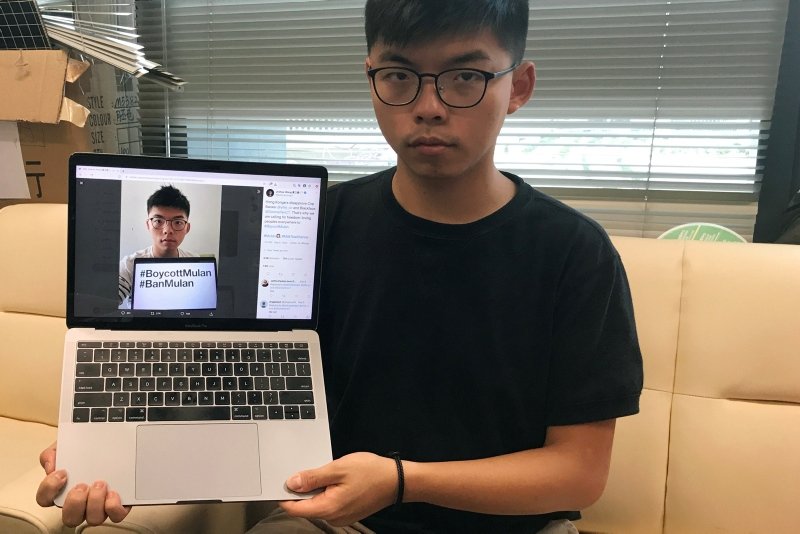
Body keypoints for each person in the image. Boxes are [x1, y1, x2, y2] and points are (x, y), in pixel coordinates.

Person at [37, 1, 644, 532]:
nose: (429, 107)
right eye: (400, 75)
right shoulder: (319, 224)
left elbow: (579, 473)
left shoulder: (576, 253)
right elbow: (234, 369)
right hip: (338, 522)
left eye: (466, 76)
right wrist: (112, 442)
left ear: (520, 86)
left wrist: (402, 481)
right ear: (371, 77)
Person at [117, 185, 195, 307]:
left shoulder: (195, 263)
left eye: (178, 222)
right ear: (148, 225)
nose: (167, 230)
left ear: (187, 228)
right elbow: (104, 303)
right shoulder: (129, 265)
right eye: (158, 221)